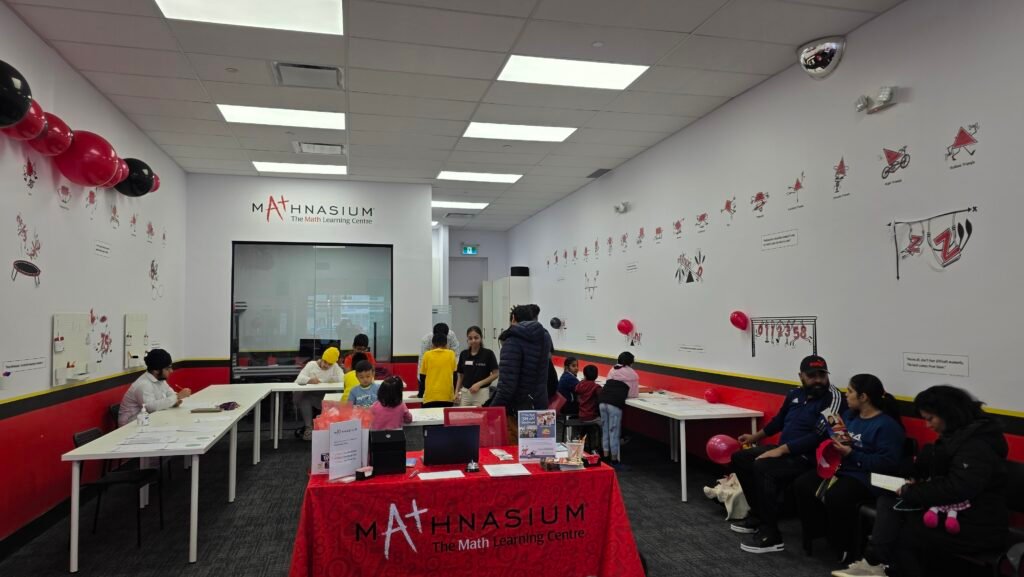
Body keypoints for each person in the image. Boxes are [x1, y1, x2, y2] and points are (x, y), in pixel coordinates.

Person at [843, 386, 1009, 577]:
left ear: (949, 414)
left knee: (901, 532)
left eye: (930, 419)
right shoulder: (957, 435)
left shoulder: (977, 445)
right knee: (888, 503)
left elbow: (957, 487)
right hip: (951, 511)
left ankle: (876, 564)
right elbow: (940, 469)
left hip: (976, 523)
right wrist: (914, 470)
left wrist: (911, 491)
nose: (928, 426)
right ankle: (874, 563)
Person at [731, 355, 846, 554]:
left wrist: (780, 450)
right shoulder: (795, 394)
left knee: (763, 467)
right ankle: (759, 515)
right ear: (801, 376)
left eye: (822, 375)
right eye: (812, 376)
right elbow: (778, 421)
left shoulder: (834, 399)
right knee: (740, 458)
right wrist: (754, 437)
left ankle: (771, 535)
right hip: (786, 451)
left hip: (810, 458)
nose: (818, 380)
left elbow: (818, 436)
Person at [793, 374, 905, 565]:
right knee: (802, 484)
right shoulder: (848, 416)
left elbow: (887, 463)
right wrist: (834, 445)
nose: (846, 394)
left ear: (864, 397)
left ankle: (845, 547)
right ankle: (818, 534)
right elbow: (840, 443)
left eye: (851, 391)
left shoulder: (887, 426)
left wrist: (851, 453)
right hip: (843, 468)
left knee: (838, 495)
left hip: (868, 476)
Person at [491, 304, 551, 414]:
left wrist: (492, 411)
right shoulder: (545, 337)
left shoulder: (512, 341)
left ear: (513, 318)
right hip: (540, 404)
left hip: (519, 409)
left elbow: (506, 386)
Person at [118, 348, 191, 426]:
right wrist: (177, 397)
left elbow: (170, 393)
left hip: (148, 420)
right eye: (167, 368)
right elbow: (151, 407)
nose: (171, 371)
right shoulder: (143, 384)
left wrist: (174, 401)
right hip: (131, 425)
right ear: (156, 370)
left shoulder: (160, 379)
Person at [293, 346, 343, 441]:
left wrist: (333, 378)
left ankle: (330, 429)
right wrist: (309, 380)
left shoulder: (335, 367)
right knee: (304, 398)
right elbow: (298, 379)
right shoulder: (311, 365)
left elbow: (342, 379)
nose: (326, 365)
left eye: (330, 364)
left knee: (335, 397)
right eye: (325, 362)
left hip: (327, 396)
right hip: (312, 396)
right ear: (322, 358)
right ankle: (309, 428)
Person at [455, 326, 498, 407]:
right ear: (467, 340)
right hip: (465, 393)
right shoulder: (463, 354)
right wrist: (456, 391)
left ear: (481, 338)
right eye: (470, 338)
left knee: (480, 415)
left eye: (476, 338)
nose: (473, 340)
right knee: (463, 415)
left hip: (481, 393)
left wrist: (479, 384)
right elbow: (460, 375)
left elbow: (496, 374)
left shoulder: (488, 353)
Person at [417, 323, 459, 398]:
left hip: (446, 373)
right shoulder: (426, 340)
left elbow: (456, 356)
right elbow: (422, 363)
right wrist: (421, 391)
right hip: (430, 374)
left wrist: (455, 388)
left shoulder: (451, 336)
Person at [598, 378, 630, 468]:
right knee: (614, 433)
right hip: (614, 404)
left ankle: (605, 457)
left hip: (602, 402)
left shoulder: (612, 373)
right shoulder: (631, 375)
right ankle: (614, 461)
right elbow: (633, 394)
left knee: (605, 431)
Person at [421, 333, 457, 408]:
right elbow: (455, 375)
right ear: (446, 344)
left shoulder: (427, 354)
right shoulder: (451, 354)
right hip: (447, 396)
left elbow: (422, 376)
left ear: (432, 344)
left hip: (430, 396)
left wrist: (421, 393)